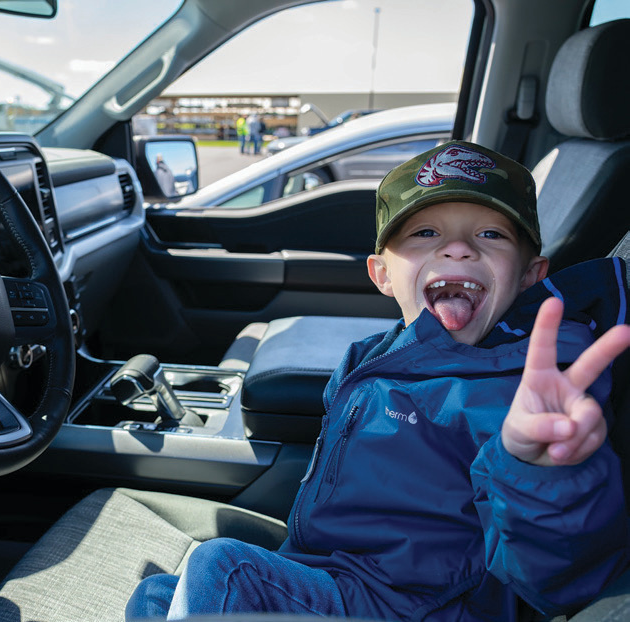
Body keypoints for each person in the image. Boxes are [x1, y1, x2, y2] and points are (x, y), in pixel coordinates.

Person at [125, 141, 630, 621]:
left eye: (490, 235)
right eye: (425, 234)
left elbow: (557, 578)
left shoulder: (522, 396)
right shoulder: (375, 357)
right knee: (158, 593)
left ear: (530, 275)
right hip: (336, 574)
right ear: (382, 274)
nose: (457, 249)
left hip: (419, 606)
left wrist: (539, 471)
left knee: (224, 568)